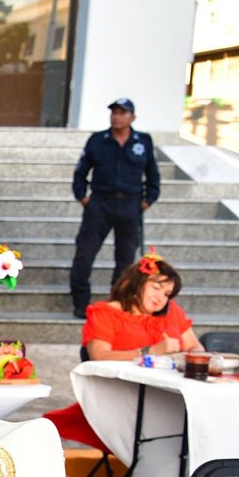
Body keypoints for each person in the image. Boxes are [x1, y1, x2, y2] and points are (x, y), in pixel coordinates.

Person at [70, 97, 161, 319]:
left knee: (125, 260)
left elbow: (152, 175)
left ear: (132, 117)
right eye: (114, 113)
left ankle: (117, 304)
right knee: (84, 255)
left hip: (130, 204)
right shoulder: (98, 140)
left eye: (122, 113)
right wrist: (83, 197)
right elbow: (81, 172)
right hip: (100, 203)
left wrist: (147, 200)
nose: (117, 117)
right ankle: (81, 304)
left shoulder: (143, 141)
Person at [81, 251, 202, 362]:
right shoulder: (105, 313)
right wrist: (150, 351)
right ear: (137, 284)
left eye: (167, 294)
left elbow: (195, 347)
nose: (160, 298)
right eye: (156, 288)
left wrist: (189, 359)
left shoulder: (172, 311)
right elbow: (98, 356)